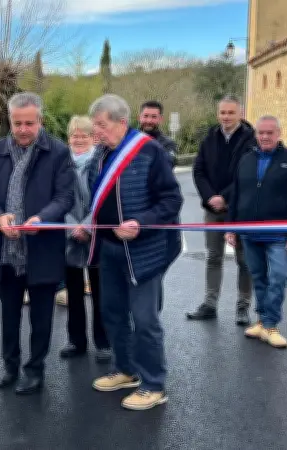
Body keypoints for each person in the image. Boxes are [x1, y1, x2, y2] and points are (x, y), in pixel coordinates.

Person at [75, 94, 182, 411]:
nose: (97, 132)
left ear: (122, 122)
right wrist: (87, 225)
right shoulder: (100, 154)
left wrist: (141, 223)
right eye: (94, 126)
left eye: (101, 125)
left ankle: (153, 385)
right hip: (108, 248)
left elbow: (171, 201)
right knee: (112, 312)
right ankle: (126, 370)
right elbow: (97, 202)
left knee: (145, 319)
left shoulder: (150, 152)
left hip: (143, 252)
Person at [0, 92, 75, 395]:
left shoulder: (57, 153)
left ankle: (35, 370)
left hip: (42, 248)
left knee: (42, 316)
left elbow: (65, 196)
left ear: (40, 121)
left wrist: (42, 219)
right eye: (17, 123)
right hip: (5, 250)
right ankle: (10, 366)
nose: (22, 129)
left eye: (29, 123)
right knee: (8, 314)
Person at [224, 115, 287, 349]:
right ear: (256, 135)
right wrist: (230, 226)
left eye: (269, 133)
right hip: (249, 234)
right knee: (259, 278)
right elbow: (237, 195)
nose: (264, 137)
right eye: (260, 133)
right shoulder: (246, 160)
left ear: (278, 133)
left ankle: (271, 324)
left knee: (279, 277)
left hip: (278, 235)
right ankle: (262, 321)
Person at [188, 95, 256, 325]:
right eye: (223, 113)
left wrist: (225, 197)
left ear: (241, 113)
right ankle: (210, 303)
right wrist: (210, 197)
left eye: (231, 113)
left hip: (240, 210)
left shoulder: (251, 140)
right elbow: (199, 171)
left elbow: (248, 174)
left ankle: (243, 306)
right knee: (213, 256)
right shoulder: (209, 139)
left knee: (244, 260)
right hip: (212, 209)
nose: (226, 117)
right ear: (218, 114)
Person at [59, 115, 110, 363]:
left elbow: (105, 197)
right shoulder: (60, 162)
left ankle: (103, 342)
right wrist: (72, 227)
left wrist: (89, 225)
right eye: (74, 135)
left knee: (101, 292)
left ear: (93, 137)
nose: (79, 139)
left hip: (97, 236)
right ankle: (76, 341)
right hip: (69, 237)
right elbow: (56, 197)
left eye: (84, 135)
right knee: (74, 292)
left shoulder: (103, 161)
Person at [138, 100, 178, 167]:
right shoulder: (128, 141)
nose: (149, 120)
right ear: (139, 117)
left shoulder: (168, 144)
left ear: (160, 119)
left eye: (154, 117)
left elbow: (168, 164)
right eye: (146, 116)